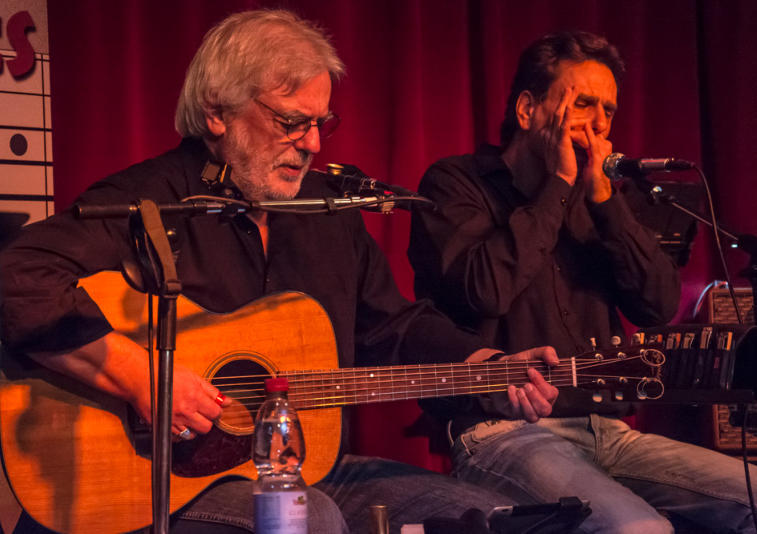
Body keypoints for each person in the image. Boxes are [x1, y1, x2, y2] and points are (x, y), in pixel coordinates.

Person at [0, 10, 560, 534]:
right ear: (217, 112)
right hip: (157, 482)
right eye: (292, 122)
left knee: (490, 517)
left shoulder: (327, 211)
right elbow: (16, 276)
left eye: (321, 123)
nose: (312, 144)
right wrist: (144, 377)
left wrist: (485, 365)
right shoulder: (148, 200)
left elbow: (391, 327)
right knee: (304, 517)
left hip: (307, 467)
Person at [408, 30, 757, 533]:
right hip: (501, 432)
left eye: (608, 111)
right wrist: (558, 184)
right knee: (641, 529)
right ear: (527, 110)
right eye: (582, 103)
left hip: (610, 433)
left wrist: (605, 202)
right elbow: (485, 290)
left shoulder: (601, 199)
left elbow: (658, 306)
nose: (597, 124)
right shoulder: (455, 183)